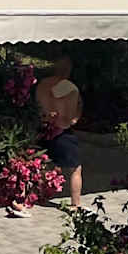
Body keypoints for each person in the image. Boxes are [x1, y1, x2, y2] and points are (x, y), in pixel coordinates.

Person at [36, 55, 84, 208]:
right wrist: (74, 118)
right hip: (61, 130)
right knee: (75, 168)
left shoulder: (42, 85)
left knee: (42, 164)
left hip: (43, 129)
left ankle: (40, 196)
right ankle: (75, 204)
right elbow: (72, 115)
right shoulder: (69, 87)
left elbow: (38, 107)